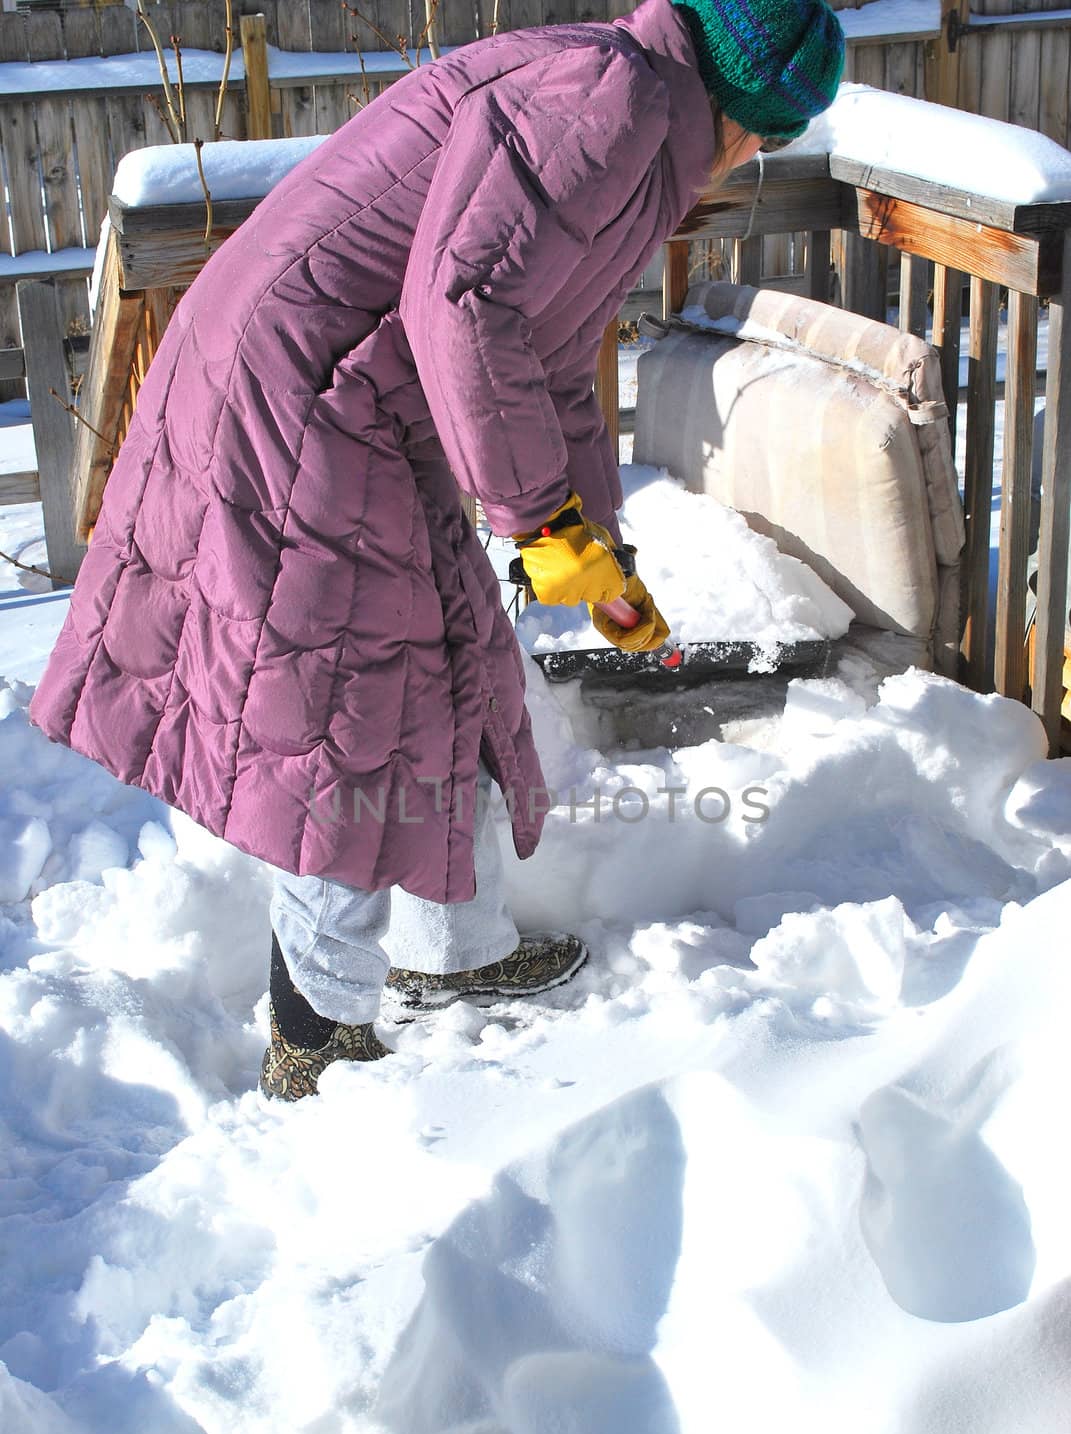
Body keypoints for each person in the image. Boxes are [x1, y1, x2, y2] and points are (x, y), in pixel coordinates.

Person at [30, 0, 844, 1101]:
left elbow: (548, 357)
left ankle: (451, 950)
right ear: (753, 118)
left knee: (451, 657)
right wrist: (534, 517)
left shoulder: (633, 119)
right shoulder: (612, 108)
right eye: (772, 138)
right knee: (348, 717)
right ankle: (312, 1034)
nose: (754, 160)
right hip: (302, 395)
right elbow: (462, 310)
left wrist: (591, 556)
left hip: (354, 394)